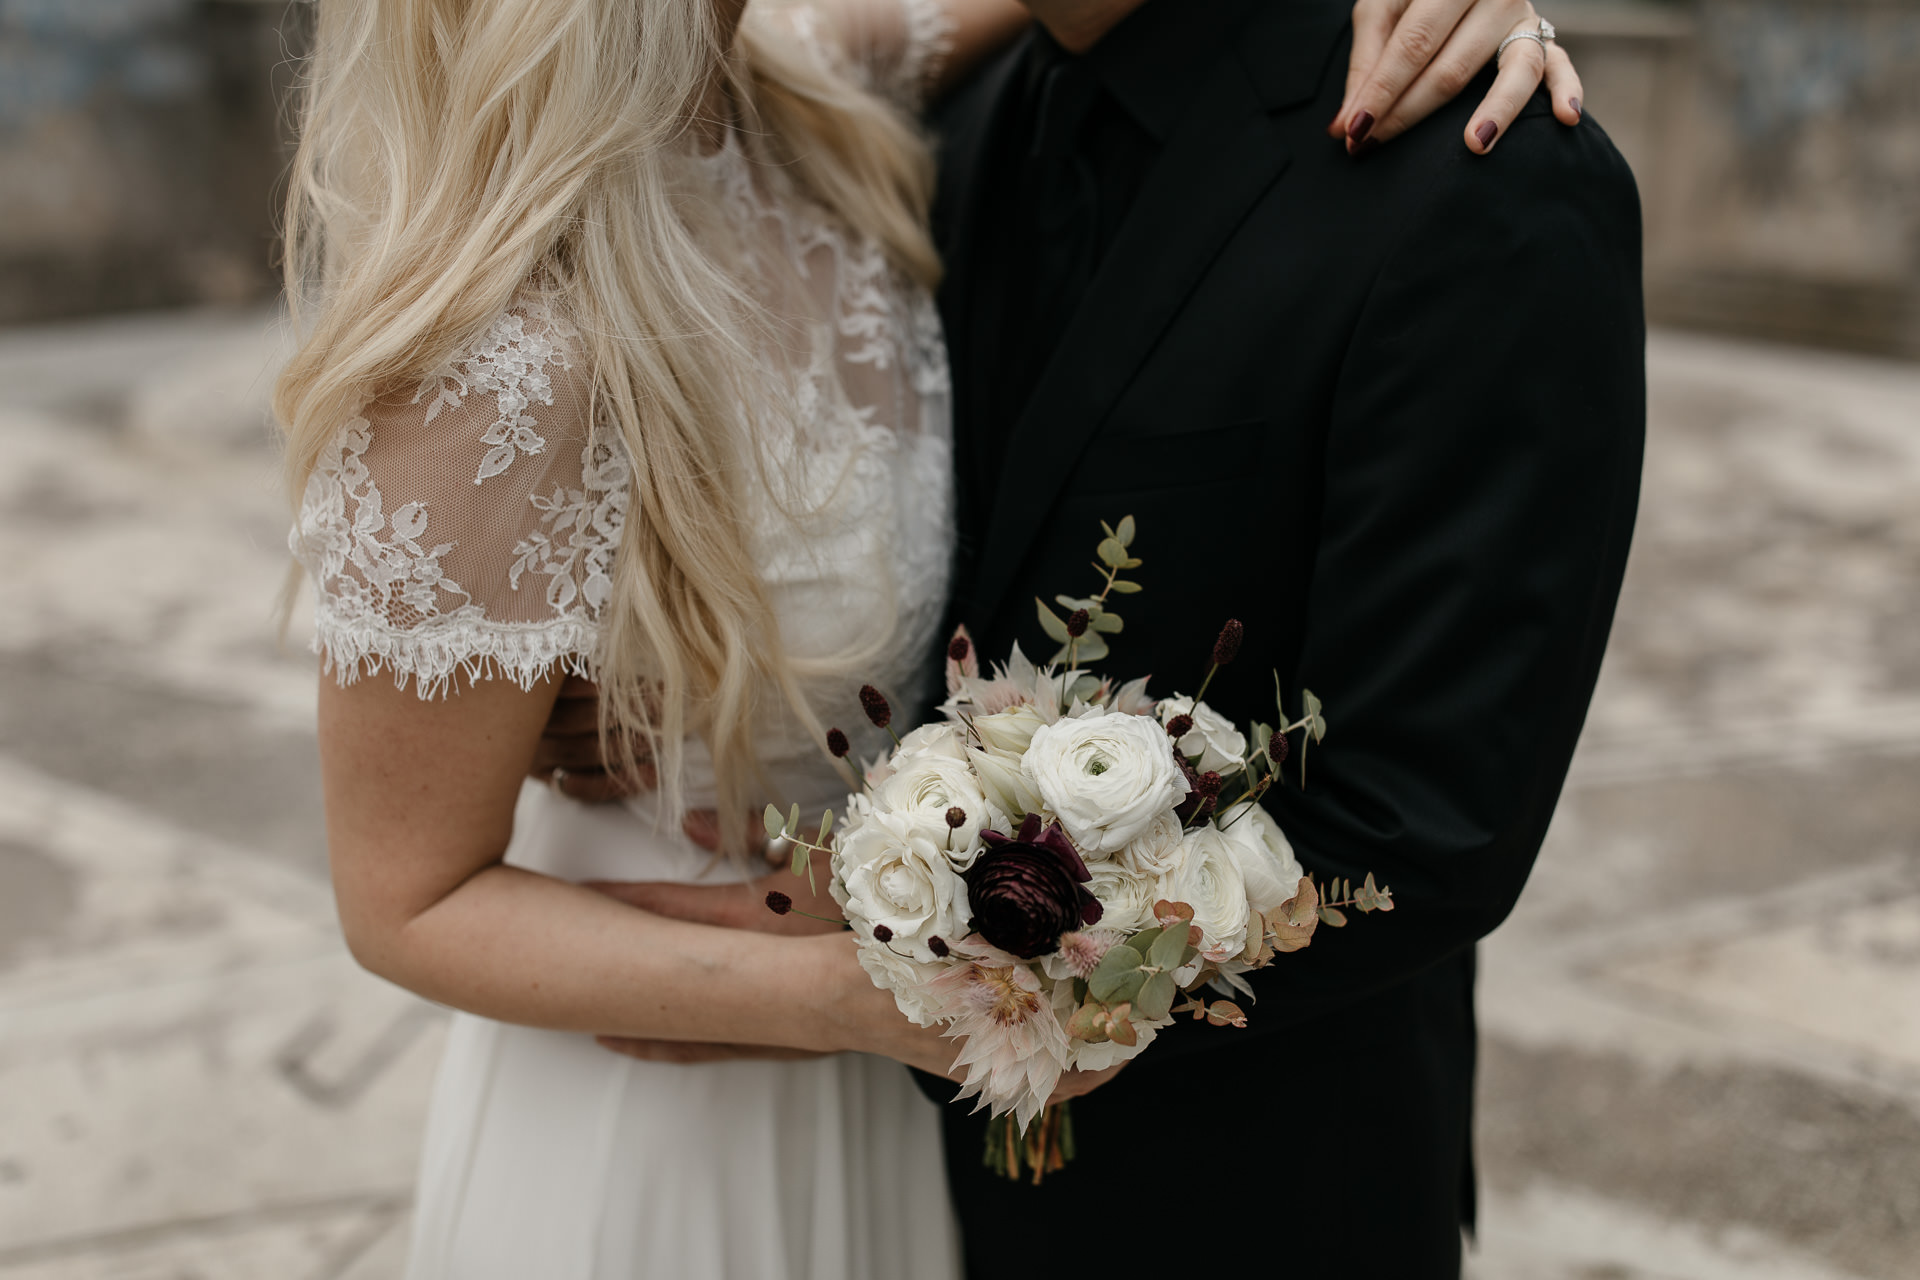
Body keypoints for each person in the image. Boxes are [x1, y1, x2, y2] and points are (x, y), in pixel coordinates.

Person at [275, 0, 1596, 1276]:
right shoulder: (512, 331)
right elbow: (404, 894)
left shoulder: (824, 95)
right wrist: (828, 992)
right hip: (665, 1106)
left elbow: (1427, 818)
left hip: (1219, 1180)